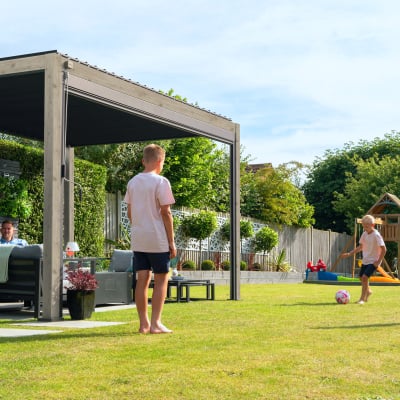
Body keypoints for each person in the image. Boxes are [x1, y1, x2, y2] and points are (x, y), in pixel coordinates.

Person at [124, 144, 176, 334]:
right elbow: (166, 212)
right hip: (157, 239)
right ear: (160, 161)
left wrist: (139, 226)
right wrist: (171, 241)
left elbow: (130, 212)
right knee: (162, 279)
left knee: (142, 280)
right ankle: (156, 323)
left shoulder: (132, 182)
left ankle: (143, 324)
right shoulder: (161, 182)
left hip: (139, 239)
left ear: (143, 161)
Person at [341, 214, 386, 304]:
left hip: (374, 261)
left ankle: (362, 299)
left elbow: (384, 249)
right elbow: (361, 247)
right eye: (363, 226)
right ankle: (368, 291)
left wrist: (378, 261)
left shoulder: (376, 235)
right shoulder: (364, 234)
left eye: (367, 226)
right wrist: (350, 253)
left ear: (372, 225)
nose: (365, 228)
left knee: (365, 277)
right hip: (366, 260)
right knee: (361, 277)